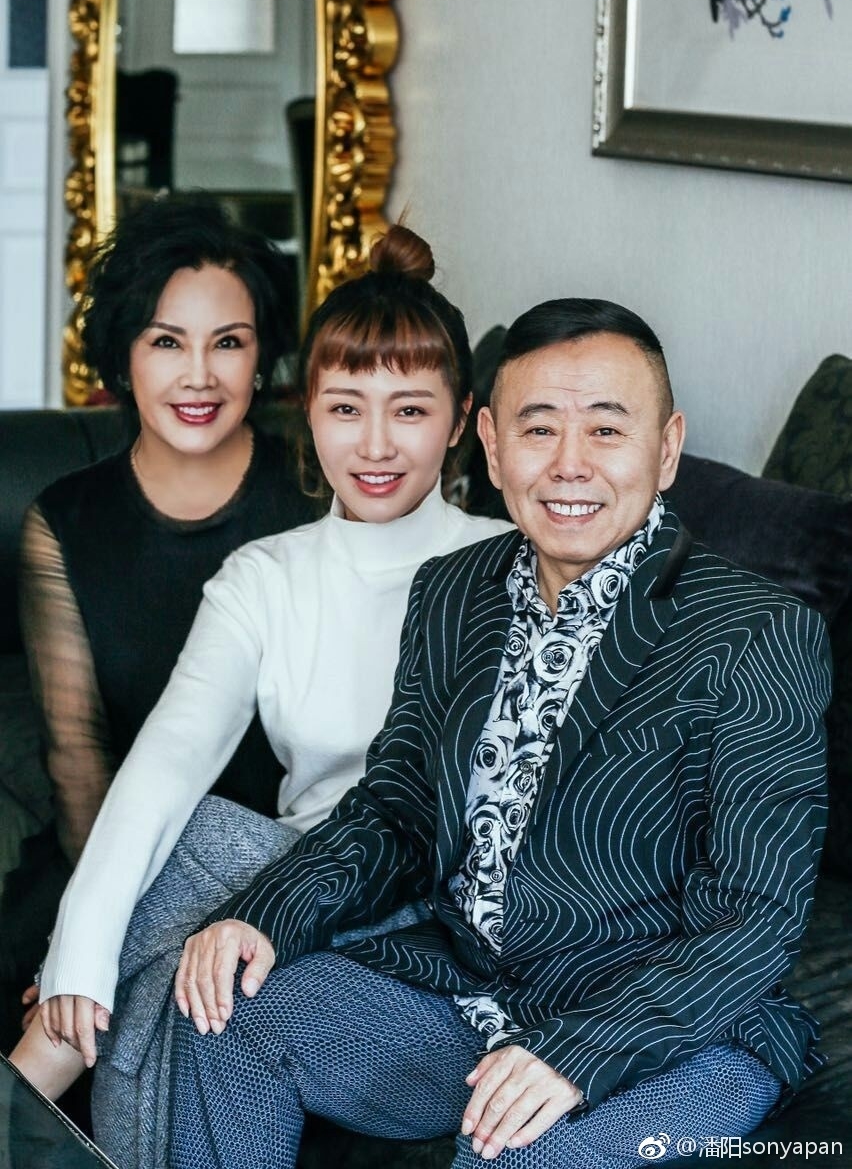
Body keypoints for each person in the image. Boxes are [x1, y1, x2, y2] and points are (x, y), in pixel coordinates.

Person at [169, 299, 830, 1169]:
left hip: (684, 1030)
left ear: (666, 449)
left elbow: (755, 916)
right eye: (538, 428)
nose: (569, 464)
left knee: (514, 1155)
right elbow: (396, 812)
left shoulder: (759, 631)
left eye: (606, 430)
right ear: (489, 444)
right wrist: (264, 916)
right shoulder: (453, 591)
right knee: (223, 1007)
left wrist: (580, 1052)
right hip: (473, 995)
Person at [10, 222, 509, 1168]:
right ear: (307, 411)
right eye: (345, 408)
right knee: (180, 958)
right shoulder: (265, 575)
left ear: (461, 422)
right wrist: (81, 954)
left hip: (431, 904)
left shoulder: (505, 564)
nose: (374, 445)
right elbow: (167, 756)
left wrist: (82, 947)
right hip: (295, 896)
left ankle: (25, 1089)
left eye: (409, 410)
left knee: (194, 853)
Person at [3, 195, 313, 1050]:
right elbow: (77, 758)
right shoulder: (64, 521)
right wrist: (103, 931)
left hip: (274, 871)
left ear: (262, 358)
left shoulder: (320, 495)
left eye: (229, 343)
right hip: (108, 856)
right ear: (124, 357)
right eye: (167, 342)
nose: (200, 376)